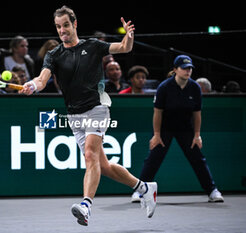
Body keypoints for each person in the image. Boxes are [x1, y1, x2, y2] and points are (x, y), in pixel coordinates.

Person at [19, 6, 157, 226]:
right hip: (74, 116)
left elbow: (123, 47)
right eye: (58, 26)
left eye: (65, 25)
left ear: (75, 24)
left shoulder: (93, 45)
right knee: (103, 166)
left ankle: (86, 206)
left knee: (90, 156)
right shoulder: (54, 55)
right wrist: (32, 86)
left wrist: (129, 37)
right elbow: (42, 79)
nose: (62, 30)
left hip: (97, 108)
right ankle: (145, 187)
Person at [131, 55, 224, 203]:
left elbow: (197, 115)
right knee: (154, 158)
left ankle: (212, 191)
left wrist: (197, 135)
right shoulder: (164, 87)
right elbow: (157, 113)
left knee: (198, 159)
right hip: (164, 129)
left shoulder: (195, 88)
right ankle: (139, 191)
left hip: (186, 128)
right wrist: (156, 135)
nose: (188, 71)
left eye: (190, 68)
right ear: (175, 70)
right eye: (184, 68)